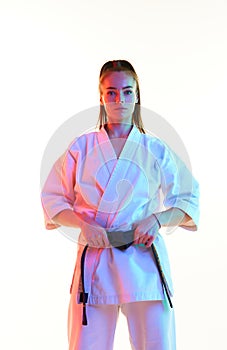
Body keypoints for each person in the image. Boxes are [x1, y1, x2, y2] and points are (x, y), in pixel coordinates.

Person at [41, 59, 199, 350]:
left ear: (137, 95)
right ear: (101, 97)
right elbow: (53, 200)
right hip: (96, 261)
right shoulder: (81, 147)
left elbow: (188, 199)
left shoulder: (155, 149)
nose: (120, 99)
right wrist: (84, 224)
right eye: (111, 92)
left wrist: (157, 220)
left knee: (157, 345)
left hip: (143, 260)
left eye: (127, 91)